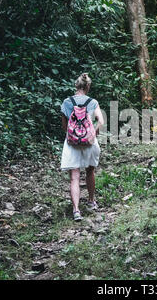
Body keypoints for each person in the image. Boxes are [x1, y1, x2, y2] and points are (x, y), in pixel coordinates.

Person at [60, 73, 104, 221]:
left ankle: (76, 210)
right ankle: (91, 201)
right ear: (88, 86)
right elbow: (101, 121)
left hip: (72, 143)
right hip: (89, 142)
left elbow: (64, 127)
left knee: (74, 176)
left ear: (76, 85)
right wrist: (92, 133)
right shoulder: (93, 102)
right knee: (90, 171)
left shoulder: (66, 102)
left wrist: (74, 135)